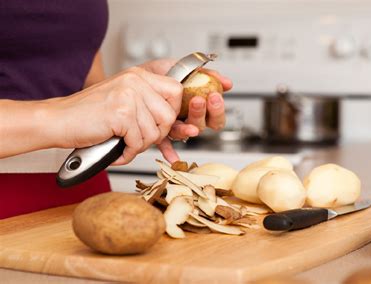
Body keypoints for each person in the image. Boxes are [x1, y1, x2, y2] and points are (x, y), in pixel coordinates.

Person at [0, 1, 232, 219]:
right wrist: (60, 115)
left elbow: (79, 71)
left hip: (84, 194)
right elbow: (71, 108)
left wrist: (135, 100)